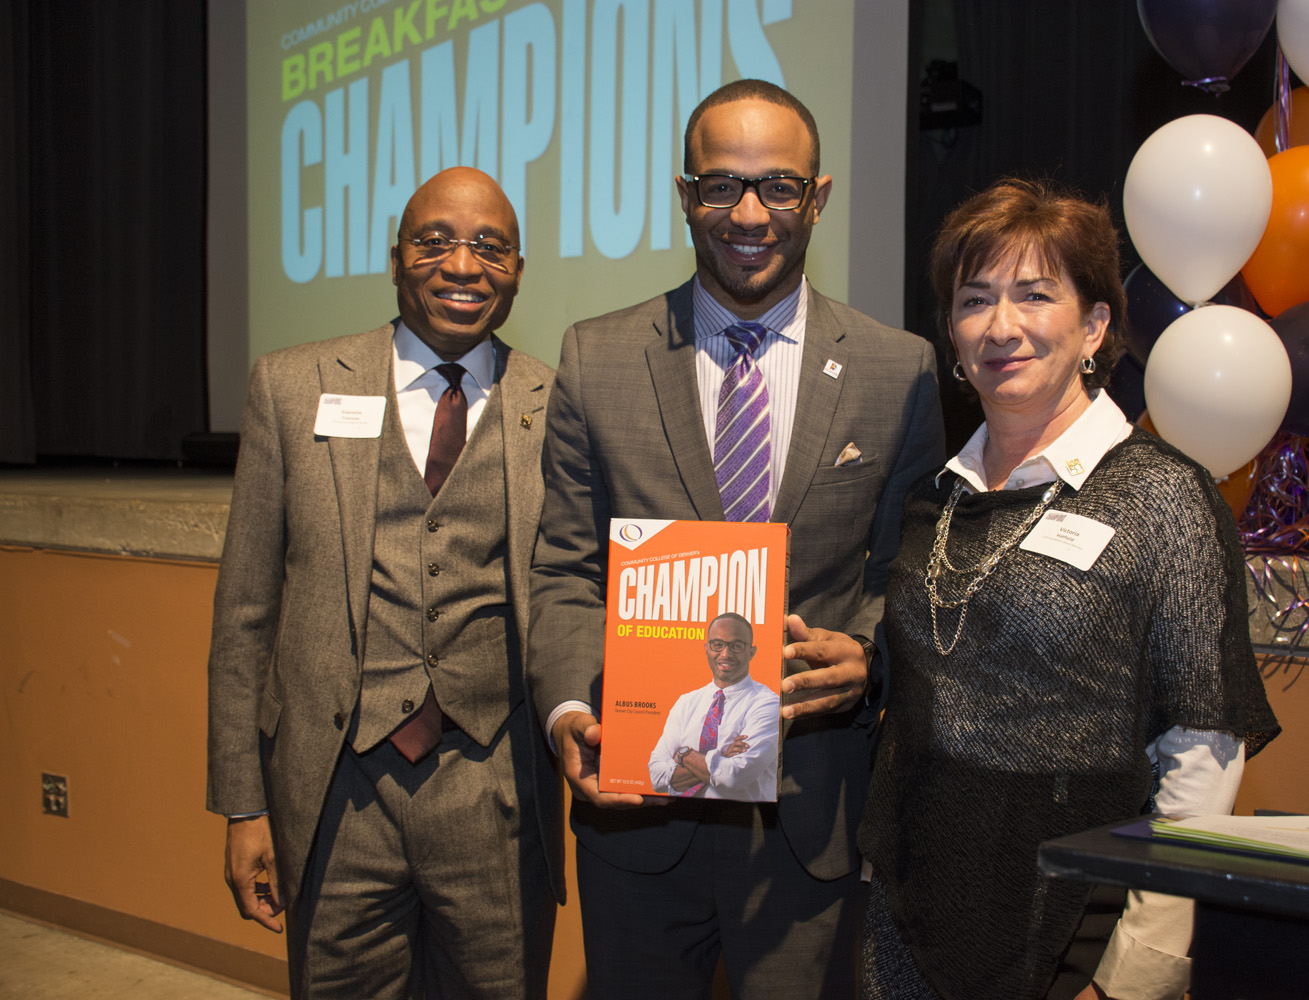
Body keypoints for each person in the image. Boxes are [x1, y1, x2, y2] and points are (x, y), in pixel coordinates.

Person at [527, 79, 944, 998]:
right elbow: (563, 568)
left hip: (811, 813)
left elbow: (907, 572)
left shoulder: (897, 368)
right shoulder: (597, 357)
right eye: (720, 186)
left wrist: (869, 655)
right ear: (686, 197)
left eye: (778, 187)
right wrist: (566, 712)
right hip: (639, 804)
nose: (748, 213)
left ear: (819, 197)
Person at [856, 178, 1280, 1000]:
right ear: (951, 332)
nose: (1001, 326)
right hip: (911, 917)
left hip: (1075, 928)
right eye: (974, 300)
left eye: (1034, 295)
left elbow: (1201, 755)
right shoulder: (933, 497)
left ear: (1093, 326)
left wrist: (1137, 969)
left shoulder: (1162, 497)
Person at [206, 166, 562, 999]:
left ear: (517, 270)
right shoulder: (292, 387)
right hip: (336, 791)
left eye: (490, 247)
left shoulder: (557, 401)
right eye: (434, 241)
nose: (462, 265)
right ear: (396, 255)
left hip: (496, 793)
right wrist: (242, 805)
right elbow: (245, 614)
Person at [648, 612, 782, 801]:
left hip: (740, 820)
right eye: (717, 645)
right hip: (680, 816)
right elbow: (657, 776)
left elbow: (735, 776)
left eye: (736, 646)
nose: (725, 654)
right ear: (707, 648)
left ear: (751, 652)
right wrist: (722, 756)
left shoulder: (768, 704)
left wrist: (684, 755)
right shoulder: (686, 702)